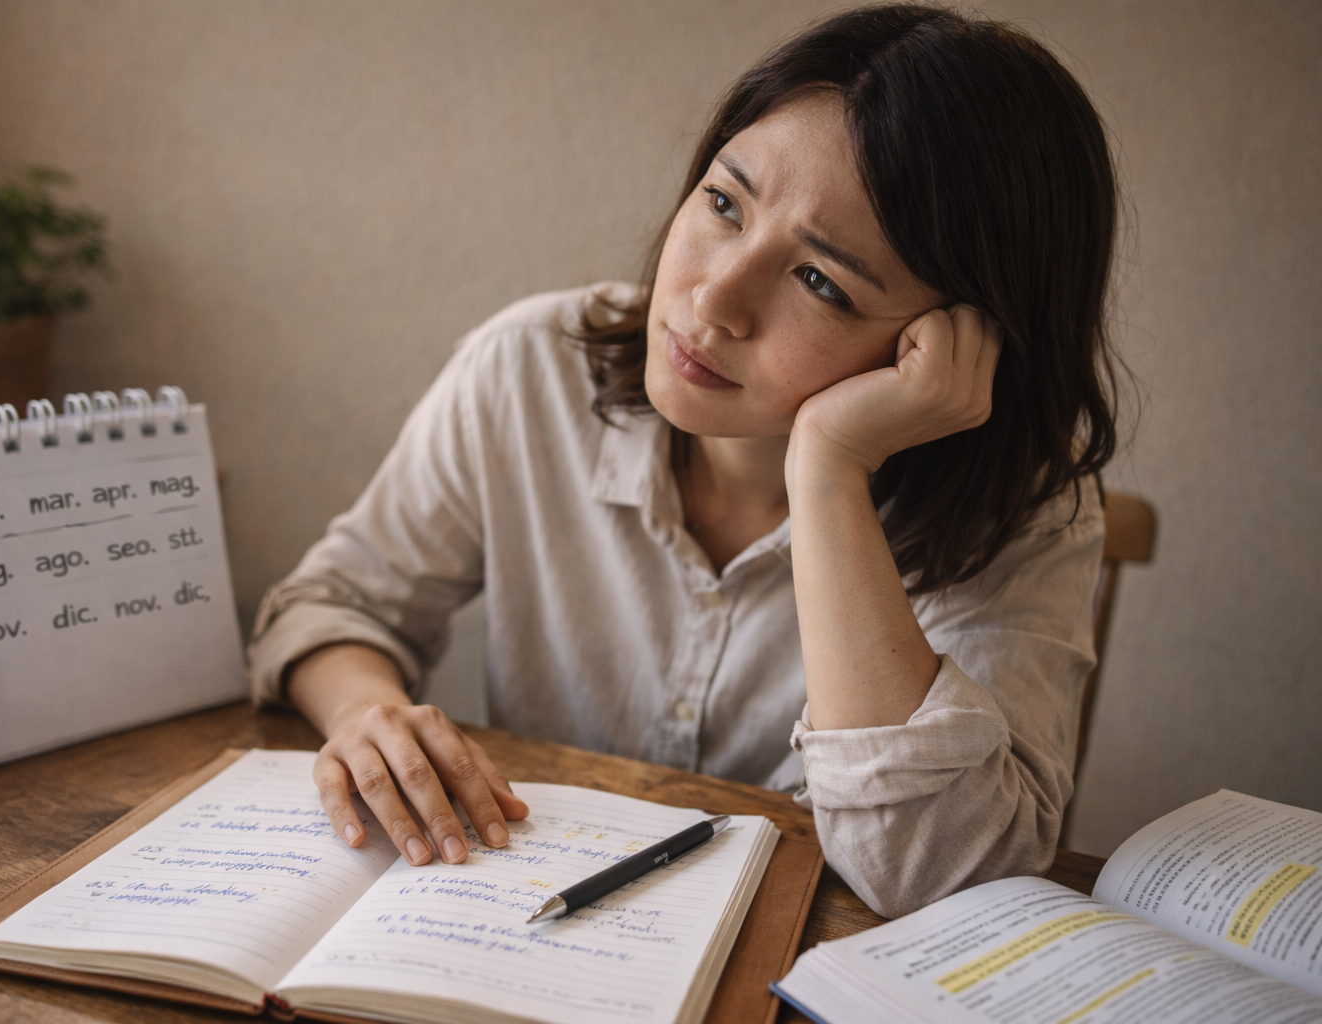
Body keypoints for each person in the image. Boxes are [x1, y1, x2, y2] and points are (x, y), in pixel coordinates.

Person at [248, 3, 1120, 918]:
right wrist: (363, 712)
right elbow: (330, 604)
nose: (712, 299)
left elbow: (947, 872)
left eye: (820, 281)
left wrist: (827, 475)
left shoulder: (1029, 507)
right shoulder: (532, 368)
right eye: (723, 203)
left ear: (954, 343)